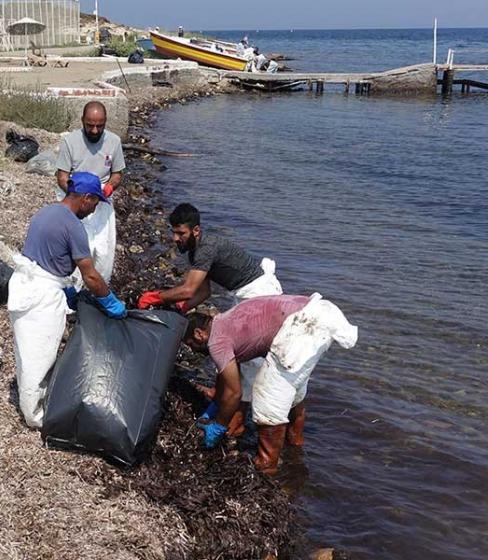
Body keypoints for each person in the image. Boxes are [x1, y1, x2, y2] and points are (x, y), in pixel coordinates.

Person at [183, 294, 358, 474]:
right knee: (292, 392)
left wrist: (217, 426)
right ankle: (295, 447)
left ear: (199, 334)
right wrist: (215, 405)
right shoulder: (224, 321)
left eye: (190, 345)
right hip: (318, 313)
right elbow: (226, 379)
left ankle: (267, 465)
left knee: (269, 399)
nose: (193, 350)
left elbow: (234, 393)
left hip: (302, 325)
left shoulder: (216, 342)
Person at [9, 172, 128, 428]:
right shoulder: (74, 227)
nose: (95, 209)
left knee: (26, 350)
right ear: (86, 198)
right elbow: (91, 276)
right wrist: (110, 302)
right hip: (40, 297)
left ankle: (35, 401)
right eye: (96, 202)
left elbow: (44, 257)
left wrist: (66, 289)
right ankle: (35, 417)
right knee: (38, 357)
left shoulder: (47, 212)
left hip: (24, 284)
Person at [137, 203, 282, 312]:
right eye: (173, 232)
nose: (175, 238)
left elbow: (188, 290)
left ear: (196, 230)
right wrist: (181, 308)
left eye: (181, 233)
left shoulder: (205, 250)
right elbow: (204, 292)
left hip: (259, 293)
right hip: (244, 291)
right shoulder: (195, 250)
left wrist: (156, 297)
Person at [55, 101, 126, 284]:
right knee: (78, 248)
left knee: (103, 250)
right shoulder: (70, 142)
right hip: (76, 197)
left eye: (99, 126)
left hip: (101, 198)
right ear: (82, 121)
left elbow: (117, 174)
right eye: (90, 125)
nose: (94, 131)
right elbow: (62, 176)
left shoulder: (114, 141)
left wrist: (108, 188)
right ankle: (72, 288)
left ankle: (99, 288)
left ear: (105, 122)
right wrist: (76, 196)